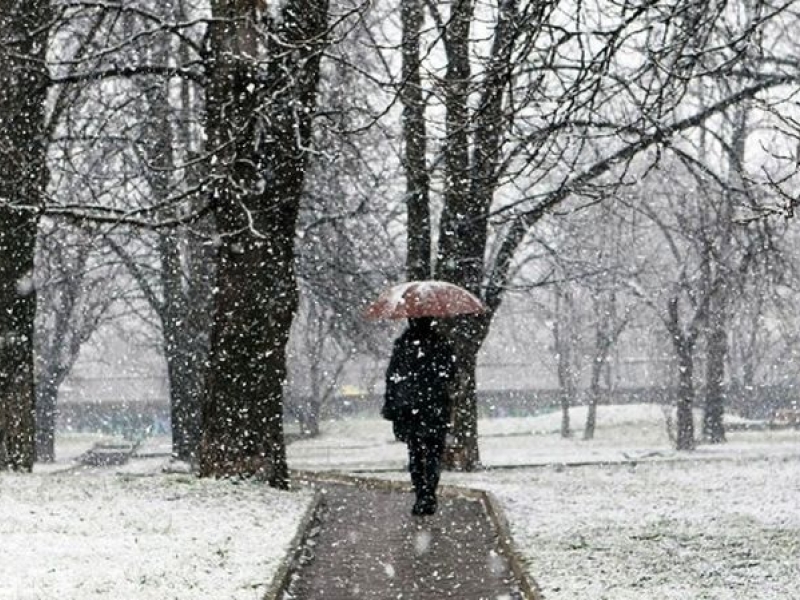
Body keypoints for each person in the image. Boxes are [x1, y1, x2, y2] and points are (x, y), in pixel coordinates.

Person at [381, 317, 457, 516]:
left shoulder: (403, 344)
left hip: (410, 409)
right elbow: (451, 374)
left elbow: (392, 379)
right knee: (433, 453)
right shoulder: (441, 343)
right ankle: (429, 494)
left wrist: (392, 407)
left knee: (415, 453)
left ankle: (421, 494)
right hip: (435, 408)